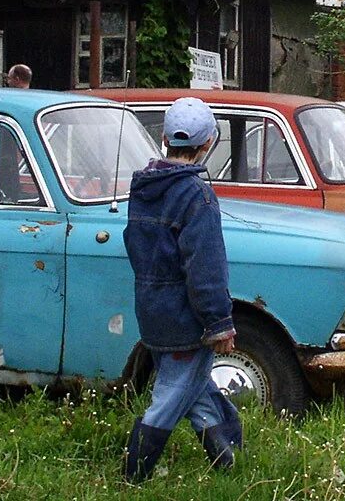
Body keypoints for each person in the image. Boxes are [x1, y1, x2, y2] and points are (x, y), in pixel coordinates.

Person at [122, 97, 241, 482]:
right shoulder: (196, 195)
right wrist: (219, 322)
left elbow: (137, 248)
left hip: (152, 311)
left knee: (196, 391)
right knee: (170, 398)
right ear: (209, 143)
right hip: (186, 319)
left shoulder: (142, 189)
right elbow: (204, 267)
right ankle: (133, 475)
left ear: (163, 138)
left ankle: (228, 462)